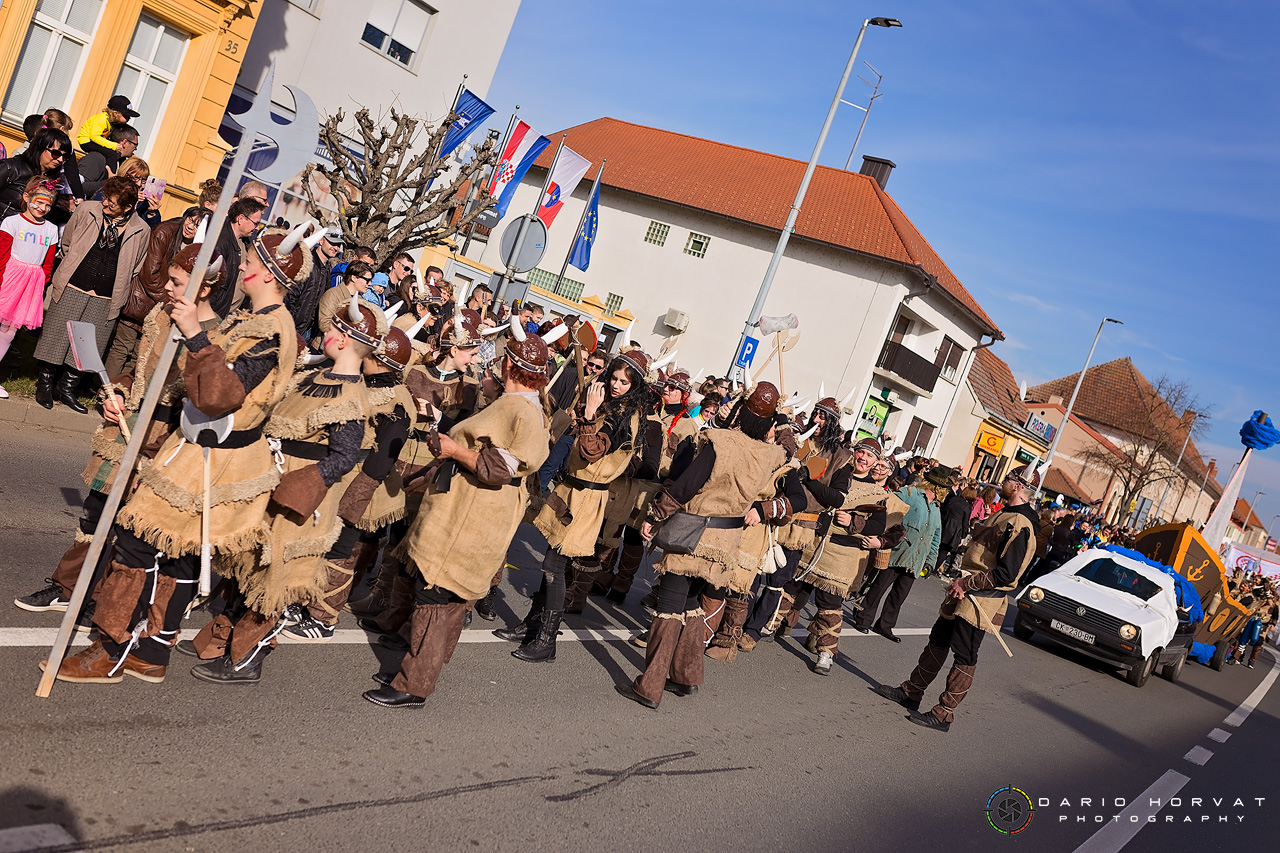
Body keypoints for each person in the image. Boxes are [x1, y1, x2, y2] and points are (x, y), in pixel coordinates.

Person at [78, 222, 307, 684]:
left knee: (139, 538)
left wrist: (195, 337)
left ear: (268, 271)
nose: (242, 261)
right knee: (180, 551)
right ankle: (153, 654)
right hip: (200, 446)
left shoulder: (273, 329)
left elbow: (222, 395)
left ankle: (112, 647)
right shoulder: (253, 321)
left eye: (252, 258)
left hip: (217, 455)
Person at [16, 243, 225, 626]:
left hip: (164, 440)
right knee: (96, 512)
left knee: (129, 526)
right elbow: (136, 366)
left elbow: (207, 399)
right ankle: (68, 589)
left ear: (204, 289)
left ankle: (100, 598)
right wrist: (118, 392)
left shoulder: (213, 337)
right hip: (125, 426)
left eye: (178, 284)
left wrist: (162, 437)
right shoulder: (160, 314)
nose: (167, 290)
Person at [362, 320, 552, 708]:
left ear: (511, 367)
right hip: (468, 508)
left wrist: (454, 451)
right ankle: (417, 666)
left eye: (503, 358)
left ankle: (414, 682)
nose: (497, 362)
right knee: (445, 595)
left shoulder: (524, 412)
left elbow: (502, 467)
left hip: (474, 515)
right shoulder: (515, 404)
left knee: (436, 590)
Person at [616, 382, 788, 709]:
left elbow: (687, 484)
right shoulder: (770, 455)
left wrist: (656, 514)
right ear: (769, 424)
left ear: (741, 412)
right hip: (727, 543)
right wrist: (783, 427)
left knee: (669, 604)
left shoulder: (720, 442)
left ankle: (650, 685)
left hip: (694, 534)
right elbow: (789, 447)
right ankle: (687, 675)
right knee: (692, 602)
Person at [498, 348, 651, 659]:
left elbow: (594, 451)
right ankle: (532, 624)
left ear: (635, 387)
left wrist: (591, 414)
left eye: (624, 382)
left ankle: (547, 640)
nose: (616, 385)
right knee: (552, 562)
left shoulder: (625, 418)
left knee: (555, 567)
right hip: (572, 491)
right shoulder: (614, 407)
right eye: (615, 378)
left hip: (587, 499)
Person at [875, 464, 1041, 732]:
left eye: (1008, 478)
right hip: (964, 591)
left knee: (965, 654)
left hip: (981, 600)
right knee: (938, 640)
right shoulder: (1006, 514)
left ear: (1019, 486)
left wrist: (967, 582)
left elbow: (1007, 574)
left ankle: (944, 713)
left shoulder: (1021, 523)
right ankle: (912, 691)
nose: (1003, 481)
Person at [282, 322, 414, 642]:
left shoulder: (396, 399)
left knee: (341, 552)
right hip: (344, 478)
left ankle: (325, 618)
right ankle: (304, 601)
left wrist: (355, 498)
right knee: (323, 542)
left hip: (366, 486)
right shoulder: (368, 385)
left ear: (378, 358)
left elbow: (383, 458)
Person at [768, 437, 907, 675]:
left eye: (869, 456)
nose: (863, 458)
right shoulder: (836, 475)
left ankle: (826, 653)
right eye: (861, 452)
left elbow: (878, 526)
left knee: (829, 605)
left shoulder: (877, 494)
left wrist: (854, 522)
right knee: (791, 587)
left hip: (842, 554)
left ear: (876, 462)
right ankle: (770, 625)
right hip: (814, 543)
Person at [742, 397, 855, 646]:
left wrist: (810, 480)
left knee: (777, 582)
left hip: (802, 526)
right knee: (755, 573)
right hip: (774, 517)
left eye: (823, 417)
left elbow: (836, 499)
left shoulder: (842, 457)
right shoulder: (795, 441)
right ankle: (739, 622)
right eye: (816, 414)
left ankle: (752, 631)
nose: (816, 420)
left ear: (834, 423)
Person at [32, 177, 150, 413]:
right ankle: (45, 384)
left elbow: (136, 266)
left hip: (106, 295)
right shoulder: (87, 210)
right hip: (74, 284)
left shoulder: (141, 230)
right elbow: (67, 243)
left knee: (87, 347)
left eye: (112, 203)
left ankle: (66, 389)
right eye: (106, 198)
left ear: (128, 207)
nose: (105, 204)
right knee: (57, 336)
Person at [104, 206, 207, 378]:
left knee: (140, 352)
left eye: (197, 225)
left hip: (159, 307)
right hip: (141, 299)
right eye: (190, 219)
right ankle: (104, 391)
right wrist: (168, 300)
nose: (190, 226)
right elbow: (149, 273)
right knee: (122, 346)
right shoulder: (165, 231)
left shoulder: (197, 248)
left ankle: (119, 392)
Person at [854, 466, 947, 642]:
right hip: (897, 550)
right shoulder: (909, 493)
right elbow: (886, 507)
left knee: (899, 595)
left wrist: (930, 562)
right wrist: (885, 536)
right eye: (945, 488)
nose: (946, 492)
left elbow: (936, 537)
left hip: (916, 557)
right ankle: (863, 617)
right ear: (936, 487)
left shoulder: (936, 508)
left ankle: (885, 625)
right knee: (879, 586)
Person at [0, 178, 59, 399]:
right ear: (27, 198)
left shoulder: (52, 230)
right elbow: (1, 255)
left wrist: (40, 284)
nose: (43, 208)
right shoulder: (12, 223)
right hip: (8, 279)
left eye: (48, 205)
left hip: (30, 285)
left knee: (9, 330)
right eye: (39, 202)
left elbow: (48, 263)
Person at [0, 127, 81, 222]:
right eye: (56, 154)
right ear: (40, 148)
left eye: (65, 156)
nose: (60, 160)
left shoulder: (54, 180)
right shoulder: (11, 168)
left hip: (28, 234)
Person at [211, 196, 266, 316]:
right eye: (255, 223)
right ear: (241, 219)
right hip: (216, 315)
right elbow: (211, 284)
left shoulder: (245, 243)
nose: (257, 228)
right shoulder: (220, 242)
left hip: (230, 316)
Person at [286, 224, 342, 338]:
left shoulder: (327, 269)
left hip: (308, 331)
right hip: (292, 327)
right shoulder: (306, 262)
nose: (336, 248)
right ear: (321, 240)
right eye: (332, 243)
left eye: (338, 245)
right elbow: (290, 295)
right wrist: (289, 322)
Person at [77, 125, 139, 198]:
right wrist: (109, 183)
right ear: (124, 142)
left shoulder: (120, 163)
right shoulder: (97, 158)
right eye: (135, 145)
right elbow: (78, 185)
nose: (135, 149)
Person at [935, 478, 974, 579]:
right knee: (944, 551)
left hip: (944, 523)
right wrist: (963, 536)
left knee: (937, 546)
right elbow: (965, 523)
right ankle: (934, 568)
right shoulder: (967, 506)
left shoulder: (953, 498)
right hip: (954, 529)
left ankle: (930, 564)